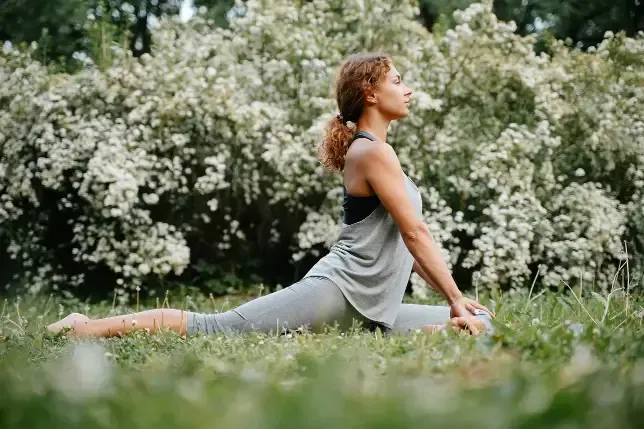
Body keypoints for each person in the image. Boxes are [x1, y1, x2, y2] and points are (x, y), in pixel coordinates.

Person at [48, 52, 494, 339]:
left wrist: (455, 299)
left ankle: (424, 326)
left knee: (481, 325)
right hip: (337, 290)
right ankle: (83, 328)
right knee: (215, 328)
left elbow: (408, 243)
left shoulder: (382, 153)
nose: (408, 88)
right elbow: (415, 231)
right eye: (398, 80)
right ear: (371, 93)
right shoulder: (371, 151)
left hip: (375, 306)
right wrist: (453, 298)